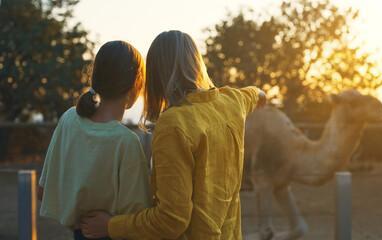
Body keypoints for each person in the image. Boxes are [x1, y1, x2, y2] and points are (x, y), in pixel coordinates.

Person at [80, 30, 267, 240]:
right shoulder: (232, 101)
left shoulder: (173, 125)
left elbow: (172, 219)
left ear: (157, 73)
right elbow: (251, 93)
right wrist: (259, 92)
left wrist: (111, 226)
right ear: (196, 62)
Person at [37, 41, 150, 240]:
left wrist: (76, 220)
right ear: (137, 82)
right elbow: (139, 221)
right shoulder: (126, 143)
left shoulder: (69, 119)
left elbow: (42, 191)